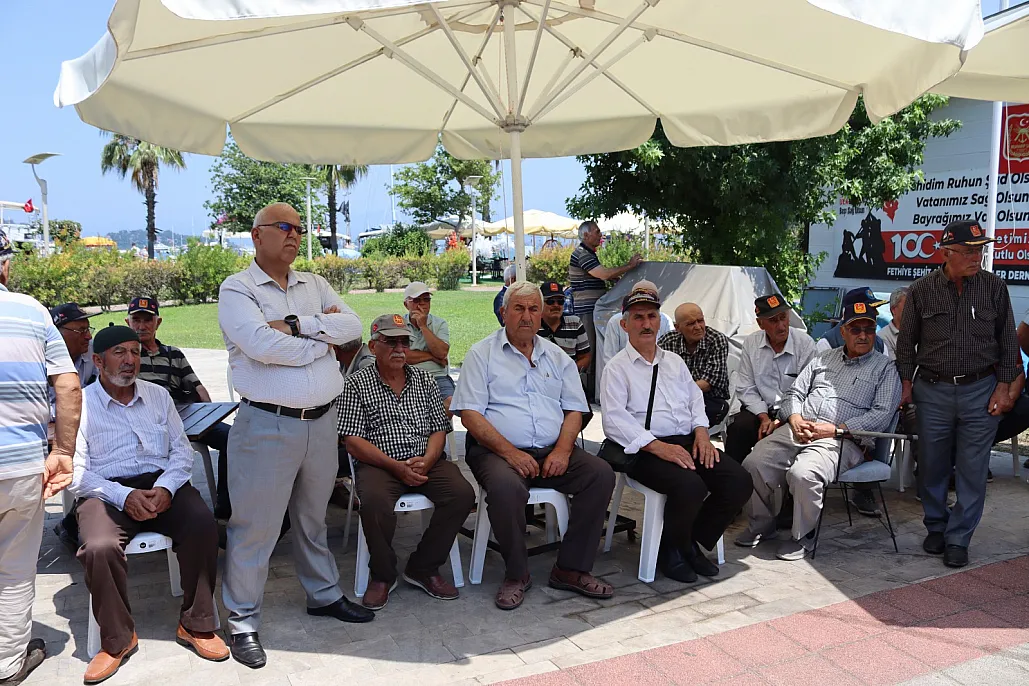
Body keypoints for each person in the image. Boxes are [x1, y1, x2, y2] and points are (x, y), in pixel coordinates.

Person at [218, 202, 373, 669]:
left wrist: (298, 327)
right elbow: (260, 346)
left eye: (299, 229)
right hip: (268, 423)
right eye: (284, 226)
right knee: (255, 527)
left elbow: (353, 327)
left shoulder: (315, 284)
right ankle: (242, 620)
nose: (294, 234)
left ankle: (323, 594)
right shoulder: (238, 288)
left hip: (322, 422)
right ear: (256, 234)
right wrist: (321, 346)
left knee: (312, 518)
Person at [69, 326, 227, 683]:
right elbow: (74, 472)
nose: (130, 360)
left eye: (136, 352)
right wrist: (123, 496)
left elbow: (181, 451)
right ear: (98, 361)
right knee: (99, 546)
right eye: (120, 353)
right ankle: (117, 640)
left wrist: (166, 488)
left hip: (160, 484)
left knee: (203, 525)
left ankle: (197, 624)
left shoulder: (158, 395)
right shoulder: (80, 404)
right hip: (106, 490)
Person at [452, 281, 616, 610]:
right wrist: (510, 453)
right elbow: (469, 414)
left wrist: (563, 451)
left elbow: (575, 410)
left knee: (600, 474)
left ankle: (571, 568)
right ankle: (517, 574)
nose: (526, 316)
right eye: (518, 308)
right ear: (504, 313)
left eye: (533, 309)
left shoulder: (557, 357)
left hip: (551, 449)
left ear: (541, 315)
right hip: (496, 451)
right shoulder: (481, 354)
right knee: (506, 488)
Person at [602, 284, 752, 582]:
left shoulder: (674, 362)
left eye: (652, 316)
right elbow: (614, 420)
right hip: (644, 450)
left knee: (738, 481)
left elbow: (695, 401)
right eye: (638, 317)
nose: (646, 324)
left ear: (660, 321)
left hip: (687, 440)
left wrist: (702, 434)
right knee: (690, 486)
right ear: (625, 325)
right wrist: (658, 447)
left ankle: (689, 541)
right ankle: (671, 550)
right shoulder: (617, 369)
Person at [897, 220, 1021, 569]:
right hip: (932, 390)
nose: (976, 257)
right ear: (946, 253)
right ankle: (936, 525)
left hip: (981, 390)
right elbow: (906, 344)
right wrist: (906, 386)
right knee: (932, 465)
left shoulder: (994, 287)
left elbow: (1008, 341)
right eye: (968, 251)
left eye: (980, 250)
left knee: (973, 469)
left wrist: (1004, 386)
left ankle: (959, 537)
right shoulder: (921, 290)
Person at [737, 301, 901, 561]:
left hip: (843, 440)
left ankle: (803, 536)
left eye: (869, 329)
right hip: (799, 429)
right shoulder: (823, 359)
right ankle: (762, 525)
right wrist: (794, 418)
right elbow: (794, 393)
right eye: (855, 329)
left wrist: (837, 429)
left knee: (803, 473)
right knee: (753, 463)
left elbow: (881, 415)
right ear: (843, 332)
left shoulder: (885, 368)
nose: (862, 335)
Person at [338, 315, 475, 610]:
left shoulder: (425, 380)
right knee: (374, 503)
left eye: (404, 342)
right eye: (391, 342)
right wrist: (394, 466)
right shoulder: (356, 384)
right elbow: (352, 441)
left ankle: (423, 567)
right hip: (379, 463)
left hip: (426, 459)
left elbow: (439, 428)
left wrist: (428, 459)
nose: (400, 349)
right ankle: (383, 574)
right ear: (373, 346)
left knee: (462, 494)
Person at [0, 229, 81, 685]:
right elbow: (67, 385)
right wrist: (63, 452)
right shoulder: (31, 310)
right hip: (19, 467)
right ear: (5, 265)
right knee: (13, 567)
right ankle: (8, 663)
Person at [123, 296, 235, 520]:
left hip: (181, 417)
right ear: (128, 323)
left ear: (158, 322)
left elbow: (197, 387)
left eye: (147, 320)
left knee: (232, 437)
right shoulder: (126, 357)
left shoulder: (173, 354)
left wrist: (209, 415)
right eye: (136, 320)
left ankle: (224, 505)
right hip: (145, 423)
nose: (141, 326)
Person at [815, 288, 891, 517]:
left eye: (873, 315)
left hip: (867, 410)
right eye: (857, 325)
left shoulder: (880, 344)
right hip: (832, 409)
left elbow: (886, 383)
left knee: (881, 420)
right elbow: (818, 386)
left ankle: (864, 488)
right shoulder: (826, 343)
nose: (872, 317)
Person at [724, 294, 817, 465]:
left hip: (794, 412)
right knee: (738, 428)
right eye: (773, 321)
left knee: (791, 438)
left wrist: (783, 418)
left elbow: (810, 390)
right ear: (760, 324)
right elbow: (746, 387)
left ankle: (785, 480)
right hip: (760, 410)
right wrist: (764, 417)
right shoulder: (752, 343)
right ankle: (735, 478)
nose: (781, 326)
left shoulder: (805, 344)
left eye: (783, 318)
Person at [569, 220, 643, 397]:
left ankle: (591, 390)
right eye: (597, 231)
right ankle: (585, 392)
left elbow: (601, 276)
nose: (600, 235)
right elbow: (603, 274)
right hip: (587, 310)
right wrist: (629, 266)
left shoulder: (588, 254)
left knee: (594, 349)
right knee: (588, 350)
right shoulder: (583, 254)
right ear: (585, 235)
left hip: (591, 309)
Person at [47, 303, 99, 549]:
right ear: (58, 334)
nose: (88, 336)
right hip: (46, 437)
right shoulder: (39, 359)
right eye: (81, 330)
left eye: (88, 329)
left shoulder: (93, 354)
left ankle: (73, 522)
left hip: (85, 430)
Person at [658, 302, 731, 426]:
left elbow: (707, 383)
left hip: (708, 398)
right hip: (673, 399)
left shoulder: (716, 339)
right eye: (691, 324)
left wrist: (678, 395)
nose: (698, 327)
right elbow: (658, 376)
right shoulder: (667, 341)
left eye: (700, 321)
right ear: (677, 328)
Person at [402, 282, 456, 410]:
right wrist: (432, 357)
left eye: (426, 299)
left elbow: (442, 353)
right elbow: (403, 356)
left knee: (451, 405)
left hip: (437, 376)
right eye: (416, 300)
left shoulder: (439, 323)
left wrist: (423, 326)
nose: (422, 304)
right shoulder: (399, 325)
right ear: (406, 304)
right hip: (407, 377)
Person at [538, 280, 591, 372]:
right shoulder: (533, 325)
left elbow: (585, 357)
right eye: (550, 301)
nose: (556, 305)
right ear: (540, 303)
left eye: (560, 301)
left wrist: (568, 373)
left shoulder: (575, 323)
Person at [815, 287, 887, 354]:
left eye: (874, 309)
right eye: (870, 309)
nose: (876, 313)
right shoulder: (827, 343)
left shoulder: (880, 344)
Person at [878, 287, 910, 360]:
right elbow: (892, 365)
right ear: (893, 310)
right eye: (908, 307)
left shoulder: (923, 331)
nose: (913, 311)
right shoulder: (883, 337)